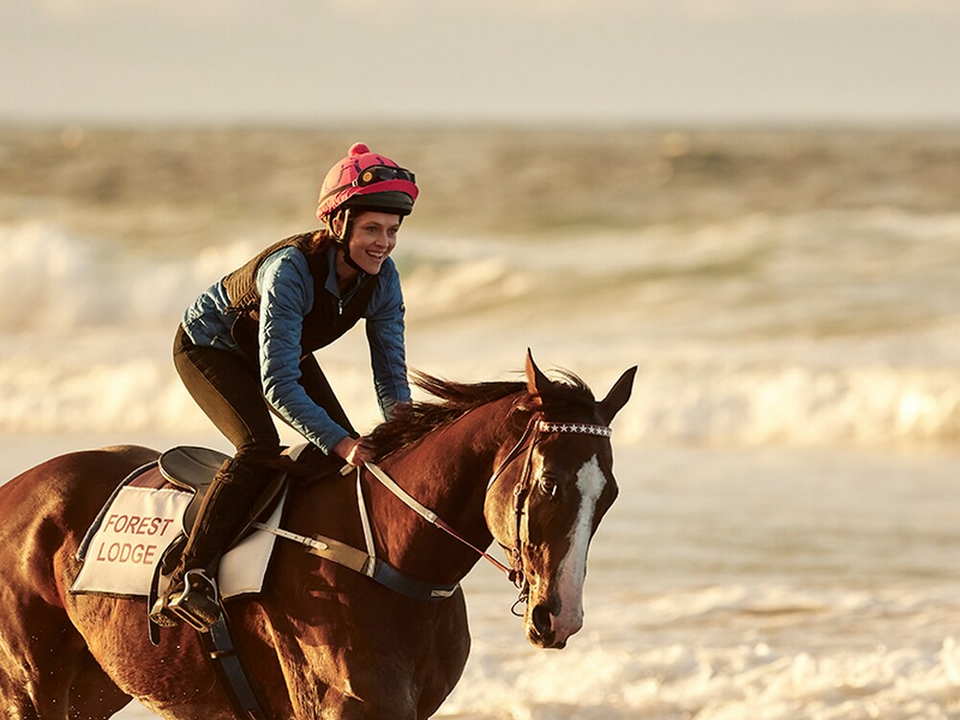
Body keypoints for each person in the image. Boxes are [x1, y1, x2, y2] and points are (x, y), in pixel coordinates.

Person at [150, 142, 418, 628]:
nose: (384, 243)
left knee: (335, 454)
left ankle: (284, 554)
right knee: (260, 446)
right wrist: (342, 442)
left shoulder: (385, 279)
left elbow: (391, 377)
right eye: (372, 229)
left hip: (275, 352)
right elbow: (278, 384)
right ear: (338, 226)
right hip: (209, 348)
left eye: (393, 231)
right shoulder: (290, 269)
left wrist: (405, 431)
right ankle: (188, 576)